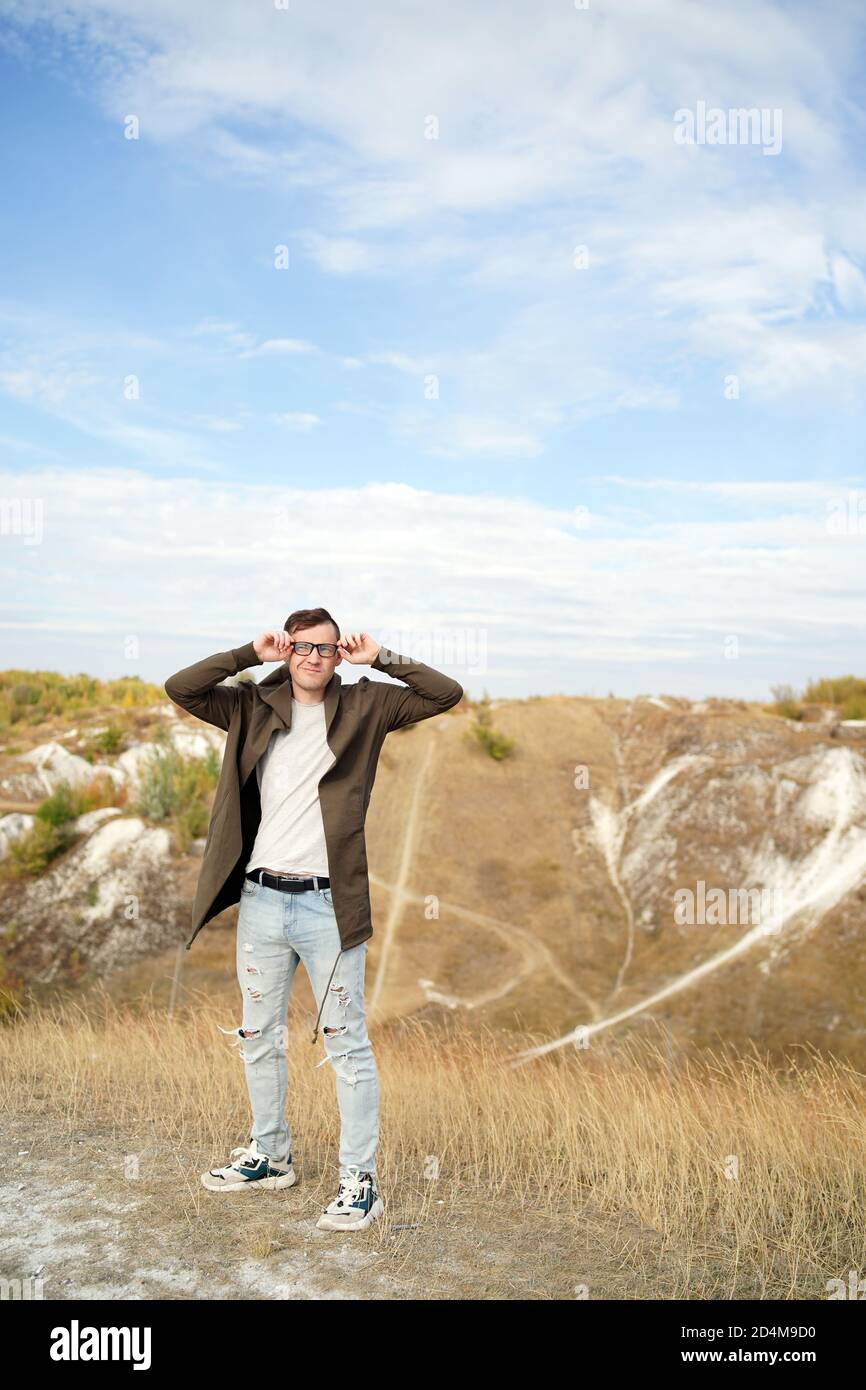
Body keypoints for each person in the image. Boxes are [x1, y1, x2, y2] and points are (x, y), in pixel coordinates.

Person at [163, 608, 463, 1230]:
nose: (312, 658)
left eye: (325, 649)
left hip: (330, 904)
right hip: (263, 901)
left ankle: (360, 1182)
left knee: (345, 1043)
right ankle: (270, 1156)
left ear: (338, 654)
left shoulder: (368, 706)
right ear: (287, 648)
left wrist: (380, 658)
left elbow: (445, 694)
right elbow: (182, 687)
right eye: (300, 647)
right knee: (258, 1035)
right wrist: (250, 651)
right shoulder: (251, 704)